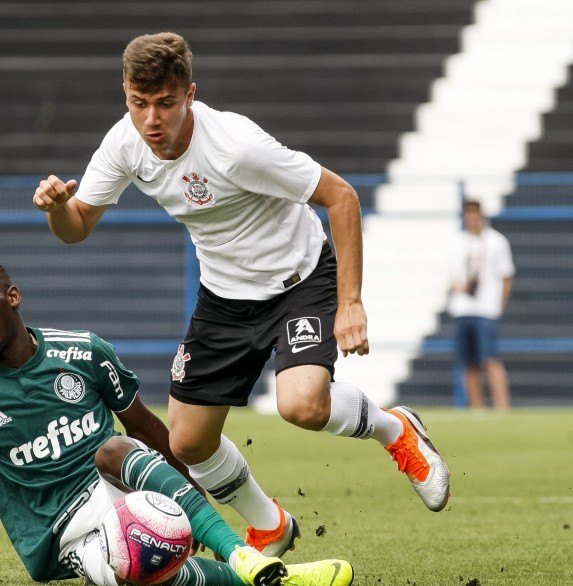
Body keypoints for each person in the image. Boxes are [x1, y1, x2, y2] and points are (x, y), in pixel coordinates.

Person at [32, 32, 452, 553]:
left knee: (300, 405)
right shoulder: (124, 143)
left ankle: (396, 430)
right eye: (139, 104)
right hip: (225, 297)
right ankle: (270, 523)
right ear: (125, 95)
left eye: (165, 104)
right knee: (187, 442)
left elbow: (341, 197)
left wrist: (350, 302)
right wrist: (56, 208)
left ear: (189, 95)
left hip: (297, 281)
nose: (152, 121)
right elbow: (77, 226)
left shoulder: (236, 145)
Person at [0, 259, 353, 586]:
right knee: (133, 565)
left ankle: (239, 552)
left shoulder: (84, 353)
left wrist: (198, 506)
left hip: (117, 487)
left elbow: (146, 427)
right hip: (59, 535)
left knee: (113, 449)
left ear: (12, 298)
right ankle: (267, 575)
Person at [448, 200, 515, 409]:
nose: (471, 219)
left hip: (486, 310)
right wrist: (460, 287)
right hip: (462, 308)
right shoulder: (457, 241)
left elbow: (506, 275)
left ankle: (502, 406)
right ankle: (476, 409)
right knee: (468, 363)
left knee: (490, 360)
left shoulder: (496, 241)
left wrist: (500, 304)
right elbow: (451, 276)